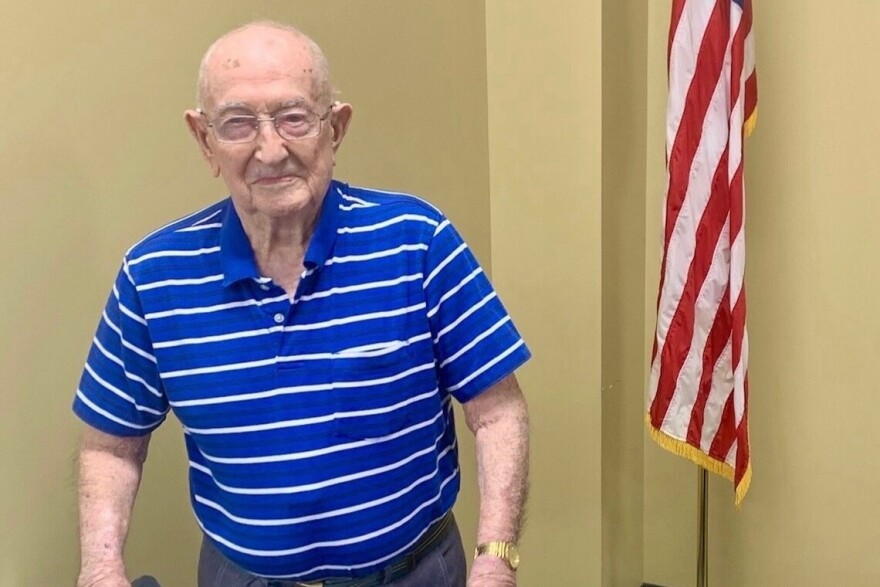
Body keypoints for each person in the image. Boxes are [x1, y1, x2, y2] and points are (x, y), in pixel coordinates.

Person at [74, 21, 530, 587]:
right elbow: (112, 446)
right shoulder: (151, 277)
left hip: (416, 573)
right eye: (238, 123)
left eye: (294, 117)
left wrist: (496, 556)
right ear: (204, 139)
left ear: (335, 128)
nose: (270, 149)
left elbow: (497, 410)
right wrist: (100, 568)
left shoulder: (418, 240)